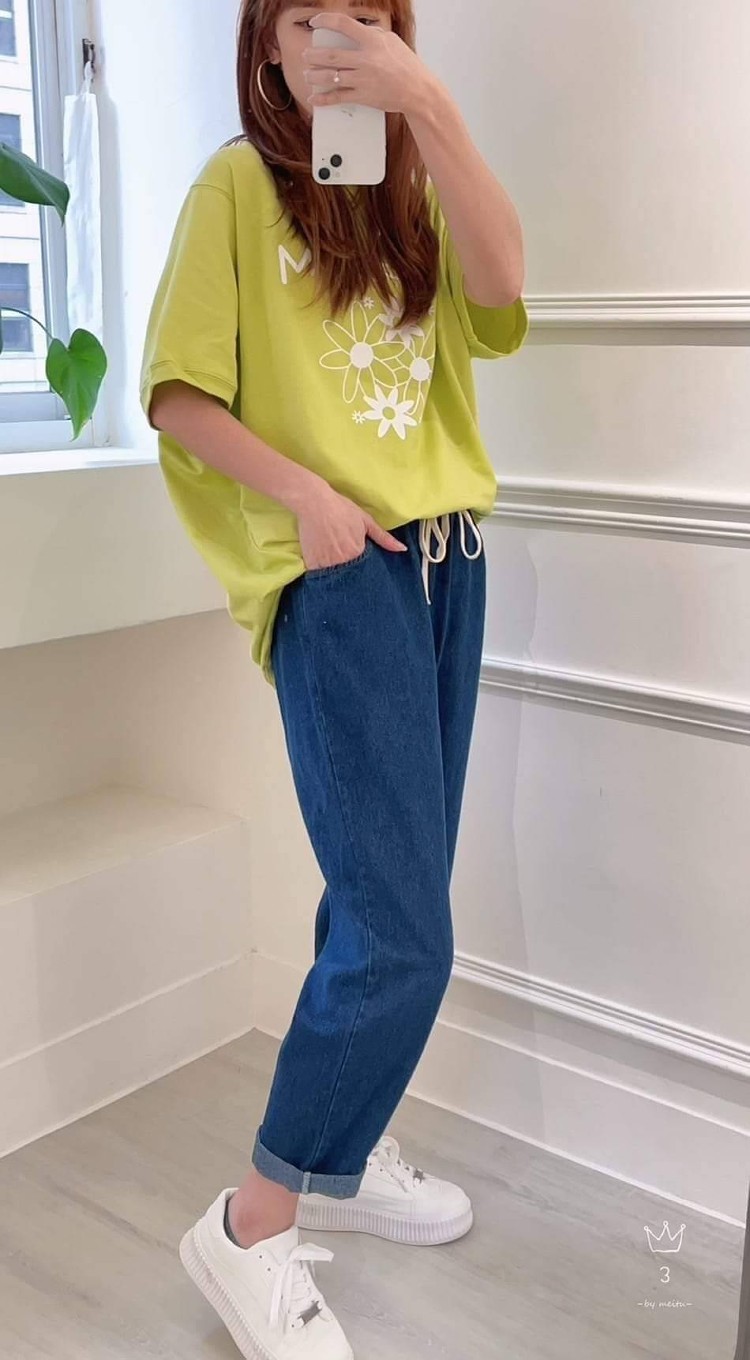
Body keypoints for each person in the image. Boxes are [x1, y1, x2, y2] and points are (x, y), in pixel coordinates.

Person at [139, 2, 528, 1356]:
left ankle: (340, 1165)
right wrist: (307, 497)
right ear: (264, 42)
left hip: (448, 561)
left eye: (367, 14)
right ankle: (250, 1223)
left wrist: (433, 110)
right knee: (403, 932)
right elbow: (177, 394)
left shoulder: (410, 186)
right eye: (305, 14)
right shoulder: (234, 188)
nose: (335, 39)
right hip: (345, 569)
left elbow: (503, 301)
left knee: (377, 899)